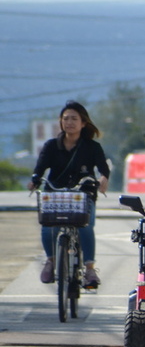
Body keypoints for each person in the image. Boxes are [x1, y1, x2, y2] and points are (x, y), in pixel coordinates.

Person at [29, 101, 110, 288]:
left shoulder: (92, 147)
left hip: (83, 195)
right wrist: (35, 180)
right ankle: (50, 261)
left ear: (83, 123)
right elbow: (39, 169)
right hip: (55, 194)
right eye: (66, 119)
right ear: (61, 122)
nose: (69, 122)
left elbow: (103, 170)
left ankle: (89, 269)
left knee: (85, 227)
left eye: (74, 119)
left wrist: (104, 179)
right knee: (48, 227)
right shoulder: (50, 146)